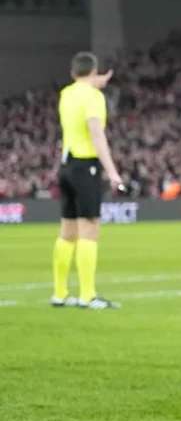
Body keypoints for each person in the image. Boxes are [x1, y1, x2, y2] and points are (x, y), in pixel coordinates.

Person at [51, 52, 125, 309]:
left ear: (73, 73)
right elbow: (96, 134)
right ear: (95, 72)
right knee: (89, 229)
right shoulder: (93, 97)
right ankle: (87, 295)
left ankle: (60, 293)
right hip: (86, 166)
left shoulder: (66, 94)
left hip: (66, 166)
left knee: (67, 232)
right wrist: (112, 172)